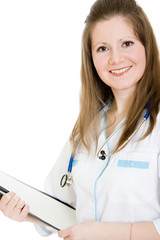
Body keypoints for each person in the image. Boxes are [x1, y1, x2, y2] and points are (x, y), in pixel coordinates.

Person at [1, 0, 160, 239]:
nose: (115, 58)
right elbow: (63, 206)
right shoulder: (87, 127)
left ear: (147, 45)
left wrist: (106, 233)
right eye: (102, 48)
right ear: (91, 58)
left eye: (127, 43)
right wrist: (25, 211)